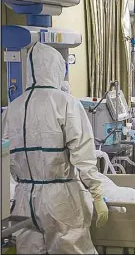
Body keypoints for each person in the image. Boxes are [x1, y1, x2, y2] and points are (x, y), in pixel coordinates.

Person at [2, 42, 108, 254]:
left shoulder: (12, 108)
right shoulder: (66, 103)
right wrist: (97, 194)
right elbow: (83, 155)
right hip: (60, 199)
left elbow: (7, 158)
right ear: (56, 68)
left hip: (23, 199)